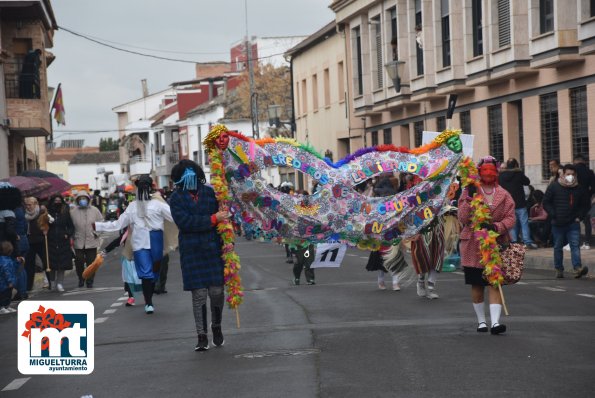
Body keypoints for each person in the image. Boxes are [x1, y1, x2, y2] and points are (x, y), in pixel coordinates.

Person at [169, 159, 228, 351]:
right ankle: (201, 335)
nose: (190, 178)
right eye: (186, 175)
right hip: (192, 250)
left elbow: (223, 220)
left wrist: (228, 239)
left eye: (193, 174)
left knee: (217, 292)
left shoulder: (211, 194)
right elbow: (185, 222)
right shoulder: (176, 199)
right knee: (199, 295)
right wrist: (212, 219)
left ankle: (216, 325)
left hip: (213, 248)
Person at [95, 175, 175, 314]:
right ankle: (148, 303)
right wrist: (98, 225)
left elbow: (175, 217)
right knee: (145, 274)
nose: (143, 188)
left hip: (156, 240)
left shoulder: (158, 204)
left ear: (150, 188)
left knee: (154, 273)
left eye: (146, 185)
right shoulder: (132, 207)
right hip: (139, 244)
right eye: (141, 185)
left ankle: (150, 293)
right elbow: (118, 224)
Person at [458, 156, 516, 335]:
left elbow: (511, 217)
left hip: (496, 243)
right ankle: (482, 321)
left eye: (492, 170)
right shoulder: (469, 191)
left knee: (494, 282)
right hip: (474, 245)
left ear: (496, 172)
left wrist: (496, 227)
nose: (488, 173)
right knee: (477, 284)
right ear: (478, 172)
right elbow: (462, 218)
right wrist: (469, 197)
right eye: (485, 170)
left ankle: (496, 323)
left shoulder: (504, 194)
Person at [543, 164, 590, 279]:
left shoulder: (579, 188)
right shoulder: (554, 186)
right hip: (558, 223)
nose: (571, 177)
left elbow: (585, 205)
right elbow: (546, 202)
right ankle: (559, 268)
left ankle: (577, 268)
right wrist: (553, 214)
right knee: (558, 246)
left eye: (573, 175)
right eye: (568, 174)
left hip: (573, 222)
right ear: (563, 174)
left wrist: (580, 216)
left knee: (575, 245)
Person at [499, 158, 538, 249]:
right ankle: (527, 241)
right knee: (524, 223)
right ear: (516, 165)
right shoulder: (519, 174)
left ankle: (514, 242)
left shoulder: (501, 175)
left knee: (512, 223)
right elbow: (527, 182)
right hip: (520, 203)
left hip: (508, 204)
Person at [70, 191, 104, 288]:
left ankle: (90, 281)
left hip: (91, 240)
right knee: (79, 261)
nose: (82, 200)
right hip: (78, 241)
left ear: (88, 199)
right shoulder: (73, 212)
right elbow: (70, 225)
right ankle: (81, 278)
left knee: (91, 263)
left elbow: (101, 222)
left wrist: (96, 233)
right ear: (77, 200)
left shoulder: (95, 210)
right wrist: (72, 236)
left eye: (84, 198)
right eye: (80, 199)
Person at [45, 195, 74, 292]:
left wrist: (67, 234)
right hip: (50, 241)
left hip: (63, 241)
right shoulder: (47, 213)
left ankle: (60, 283)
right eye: (55, 200)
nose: (57, 202)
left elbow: (71, 226)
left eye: (59, 200)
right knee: (52, 264)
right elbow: (42, 224)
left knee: (62, 264)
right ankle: (52, 282)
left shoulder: (65, 212)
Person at [23, 196, 49, 291]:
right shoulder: (24, 214)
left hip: (40, 241)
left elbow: (49, 222)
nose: (28, 207)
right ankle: (29, 286)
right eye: (26, 205)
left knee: (46, 262)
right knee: (29, 265)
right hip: (29, 241)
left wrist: (46, 229)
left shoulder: (41, 213)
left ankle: (50, 282)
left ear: (35, 204)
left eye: (30, 205)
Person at [572, 155, 594, 249]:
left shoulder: (573, 170)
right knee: (586, 220)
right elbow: (594, 187)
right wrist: (588, 194)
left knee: (574, 219)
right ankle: (587, 242)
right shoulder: (590, 172)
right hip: (586, 198)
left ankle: (574, 241)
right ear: (583, 161)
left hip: (574, 198)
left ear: (575, 161)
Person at [0, 241, 18, 314]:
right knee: (4, 295)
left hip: (5, 281)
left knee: (8, 294)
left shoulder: (6, 259)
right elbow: (7, 272)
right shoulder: (5, 261)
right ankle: (2, 307)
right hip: (4, 282)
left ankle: (6, 306)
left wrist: (17, 262)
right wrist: (10, 281)